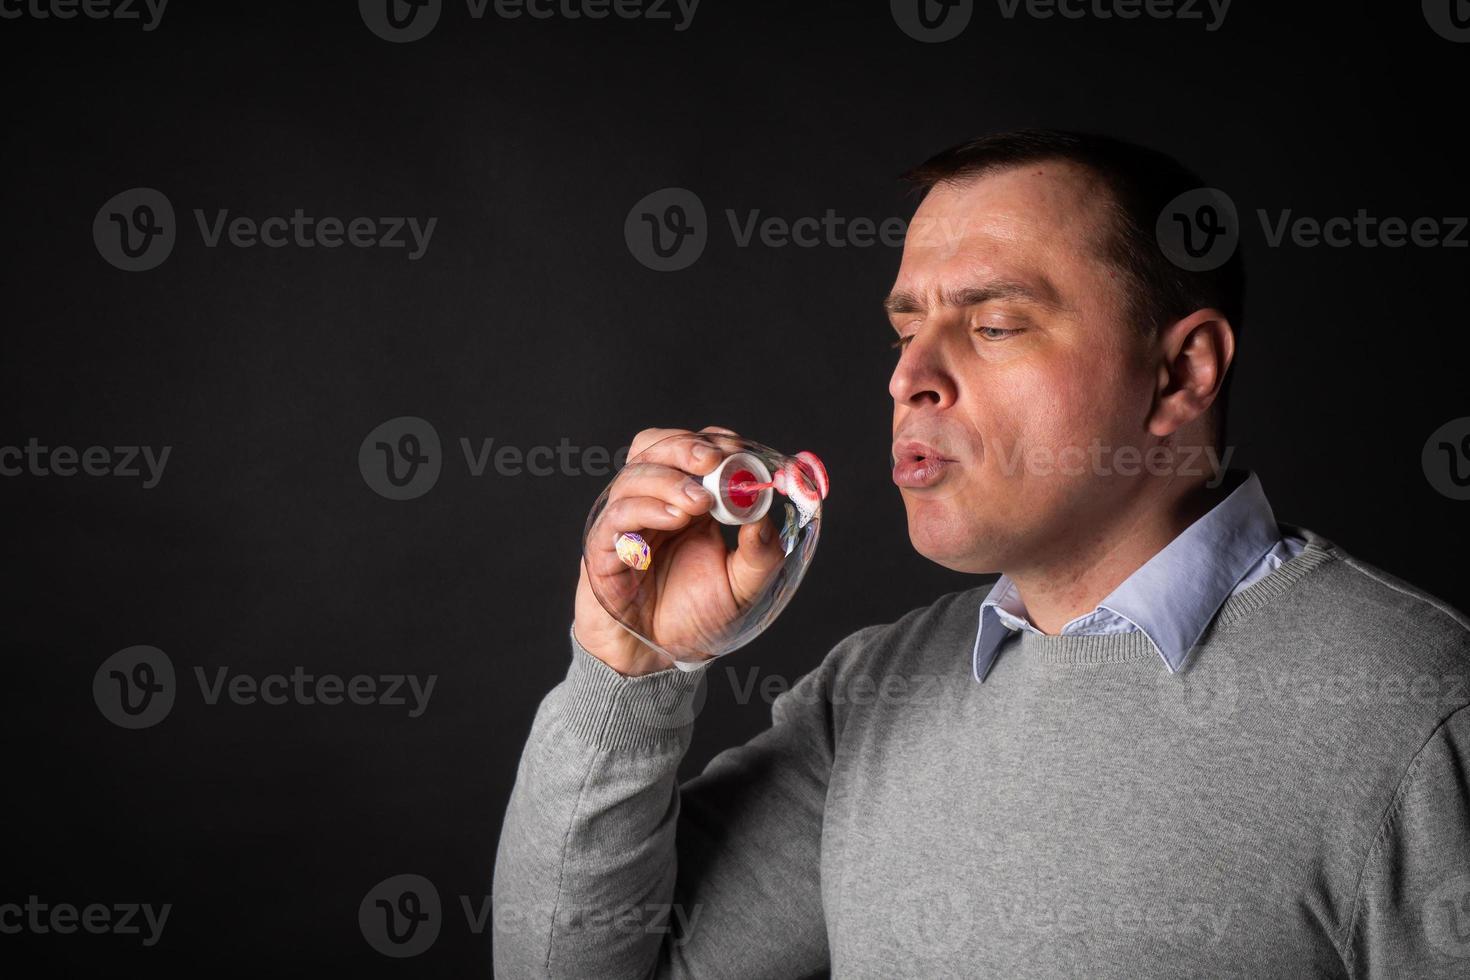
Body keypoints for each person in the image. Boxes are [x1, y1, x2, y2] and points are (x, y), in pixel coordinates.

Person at [492, 130, 1470, 978]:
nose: (910, 376)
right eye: (905, 329)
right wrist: (630, 666)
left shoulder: (1415, 712)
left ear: (1182, 371)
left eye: (993, 324)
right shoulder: (871, 695)